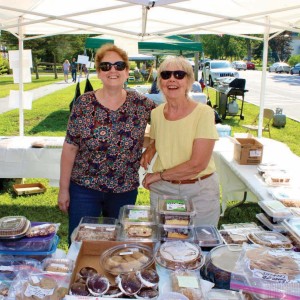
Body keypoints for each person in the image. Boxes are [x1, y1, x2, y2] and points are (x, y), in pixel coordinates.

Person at [58, 44, 156, 244]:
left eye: (119, 65)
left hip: (124, 189)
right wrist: (63, 188)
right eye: (106, 66)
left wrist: (153, 146)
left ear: (127, 71)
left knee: (120, 244)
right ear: (99, 72)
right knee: (81, 243)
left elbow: (169, 123)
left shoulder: (141, 104)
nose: (113, 70)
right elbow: (70, 147)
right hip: (84, 188)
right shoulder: (83, 104)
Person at [140, 56, 220, 226]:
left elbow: (197, 164)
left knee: (200, 243)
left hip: (199, 190)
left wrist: (158, 175)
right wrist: (151, 149)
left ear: (189, 81)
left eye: (179, 74)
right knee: (163, 241)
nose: (172, 79)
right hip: (163, 189)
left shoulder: (204, 113)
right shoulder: (156, 113)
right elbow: (159, 136)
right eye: (166, 74)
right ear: (160, 81)